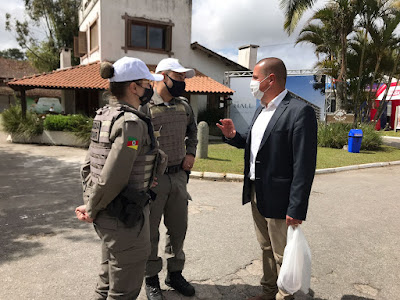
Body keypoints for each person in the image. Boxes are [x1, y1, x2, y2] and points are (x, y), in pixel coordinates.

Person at [217, 57, 317, 300]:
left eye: (253, 77)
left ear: (269, 79)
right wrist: (234, 136)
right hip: (256, 191)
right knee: (265, 248)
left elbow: (304, 165)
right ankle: (268, 291)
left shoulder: (298, 111)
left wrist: (296, 207)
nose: (252, 83)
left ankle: (285, 295)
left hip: (280, 198)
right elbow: (257, 147)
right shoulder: (261, 108)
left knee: (282, 252)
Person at [75, 56, 167, 300]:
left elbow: (89, 165)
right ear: (133, 87)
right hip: (122, 215)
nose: (150, 88)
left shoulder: (105, 115)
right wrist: (92, 207)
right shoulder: (130, 124)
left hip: (109, 211)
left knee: (107, 279)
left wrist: (91, 201)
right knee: (124, 289)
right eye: (147, 83)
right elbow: (113, 175)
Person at [140, 58, 198, 300]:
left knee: (178, 229)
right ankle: (151, 279)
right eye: (179, 76)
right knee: (150, 231)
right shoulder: (144, 107)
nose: (183, 82)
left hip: (178, 177)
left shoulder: (184, 105)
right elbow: (135, 144)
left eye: (184, 77)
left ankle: (175, 274)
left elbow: (192, 131)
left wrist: (192, 153)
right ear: (162, 76)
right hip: (153, 180)